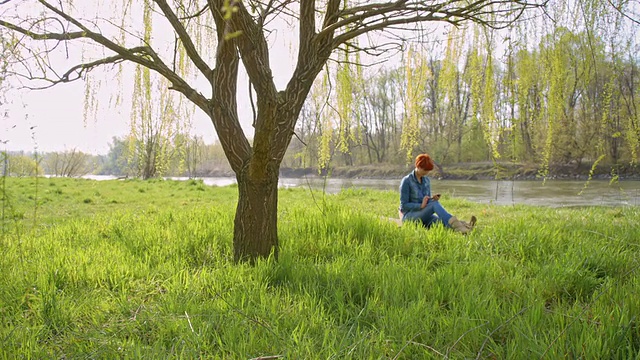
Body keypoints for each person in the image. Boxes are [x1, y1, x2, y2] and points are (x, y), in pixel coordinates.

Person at [399, 154, 476, 234]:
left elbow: (427, 200)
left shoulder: (426, 181)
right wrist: (420, 206)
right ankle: (460, 226)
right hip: (410, 217)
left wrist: (431, 199)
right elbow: (404, 205)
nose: (427, 172)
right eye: (425, 170)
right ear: (418, 166)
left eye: (428, 170)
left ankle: (464, 227)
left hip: (424, 215)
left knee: (442, 222)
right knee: (434, 204)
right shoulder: (406, 181)